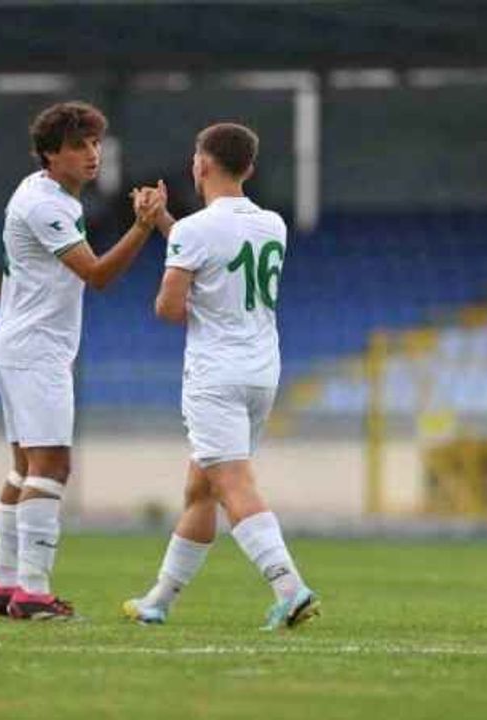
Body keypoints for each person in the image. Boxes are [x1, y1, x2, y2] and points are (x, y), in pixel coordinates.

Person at [122, 123, 320, 630]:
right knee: (201, 490)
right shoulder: (272, 224)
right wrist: (163, 221)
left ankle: (290, 588)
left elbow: (168, 308)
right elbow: (217, 254)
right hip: (261, 372)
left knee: (232, 485)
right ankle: (158, 601)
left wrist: (168, 237)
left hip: (215, 374)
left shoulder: (195, 231)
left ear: (202, 165)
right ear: (248, 168)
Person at [0, 101, 165, 620]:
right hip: (36, 350)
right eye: (79, 145)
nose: (92, 154)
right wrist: (143, 226)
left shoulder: (41, 191)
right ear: (49, 154)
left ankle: (2, 583)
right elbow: (98, 275)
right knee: (52, 466)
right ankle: (32, 592)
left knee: (24, 468)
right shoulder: (48, 206)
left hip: (19, 345)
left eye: (95, 143)